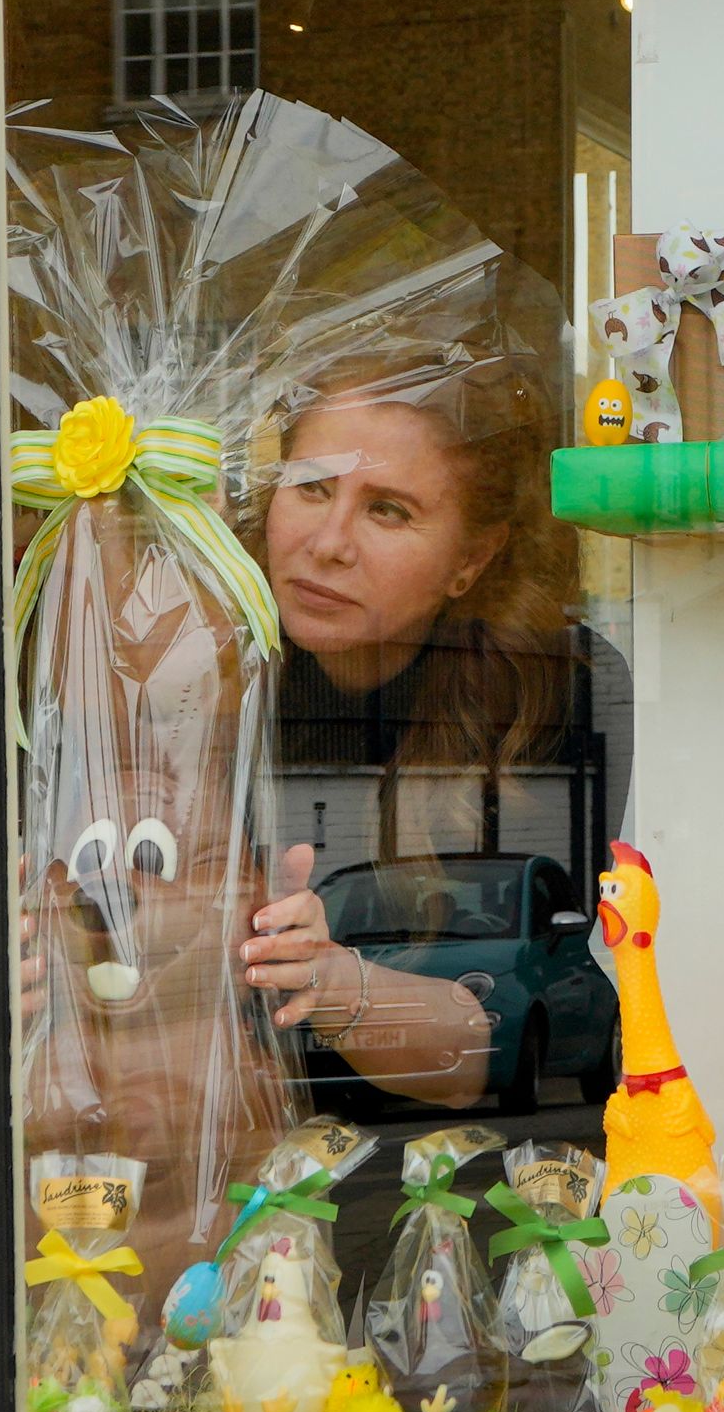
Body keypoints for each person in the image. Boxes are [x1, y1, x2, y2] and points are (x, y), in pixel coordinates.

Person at [237, 354, 620, 1114]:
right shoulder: (196, 665)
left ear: (472, 561)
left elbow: (533, 1007)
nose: (329, 542)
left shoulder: (551, 696)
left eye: (388, 510)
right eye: (312, 487)